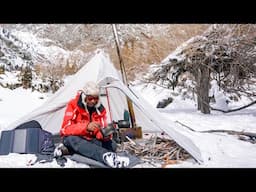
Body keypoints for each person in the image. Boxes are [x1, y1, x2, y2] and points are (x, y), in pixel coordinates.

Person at [54, 81, 130, 168]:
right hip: (75, 138)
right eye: (90, 98)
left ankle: (68, 150)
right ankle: (105, 156)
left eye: (96, 98)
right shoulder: (73, 105)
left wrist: (103, 134)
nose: (93, 101)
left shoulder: (100, 109)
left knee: (112, 145)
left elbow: (100, 131)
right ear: (84, 97)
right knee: (71, 140)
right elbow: (65, 129)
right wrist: (86, 127)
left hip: (90, 140)